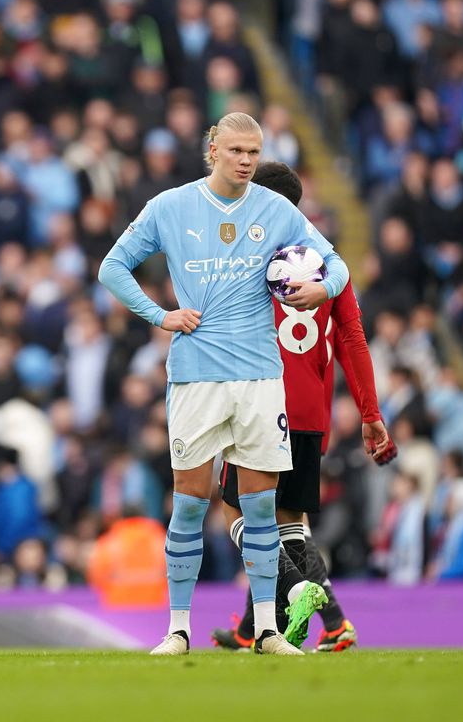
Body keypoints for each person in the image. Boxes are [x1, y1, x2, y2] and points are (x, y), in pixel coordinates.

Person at [98, 111, 350, 656]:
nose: (245, 162)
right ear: (212, 148)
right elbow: (112, 267)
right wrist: (159, 314)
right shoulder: (170, 207)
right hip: (196, 378)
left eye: (254, 154)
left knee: (260, 509)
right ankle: (178, 629)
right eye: (236, 151)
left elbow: (337, 264)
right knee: (190, 504)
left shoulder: (276, 209)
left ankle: (265, 630)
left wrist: (320, 288)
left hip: (260, 377)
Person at [211, 162, 397, 652]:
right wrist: (370, 413)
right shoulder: (330, 266)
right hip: (311, 413)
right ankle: (312, 625)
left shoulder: (244, 260)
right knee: (289, 521)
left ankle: (298, 594)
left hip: (259, 405)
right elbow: (354, 340)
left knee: (239, 515)